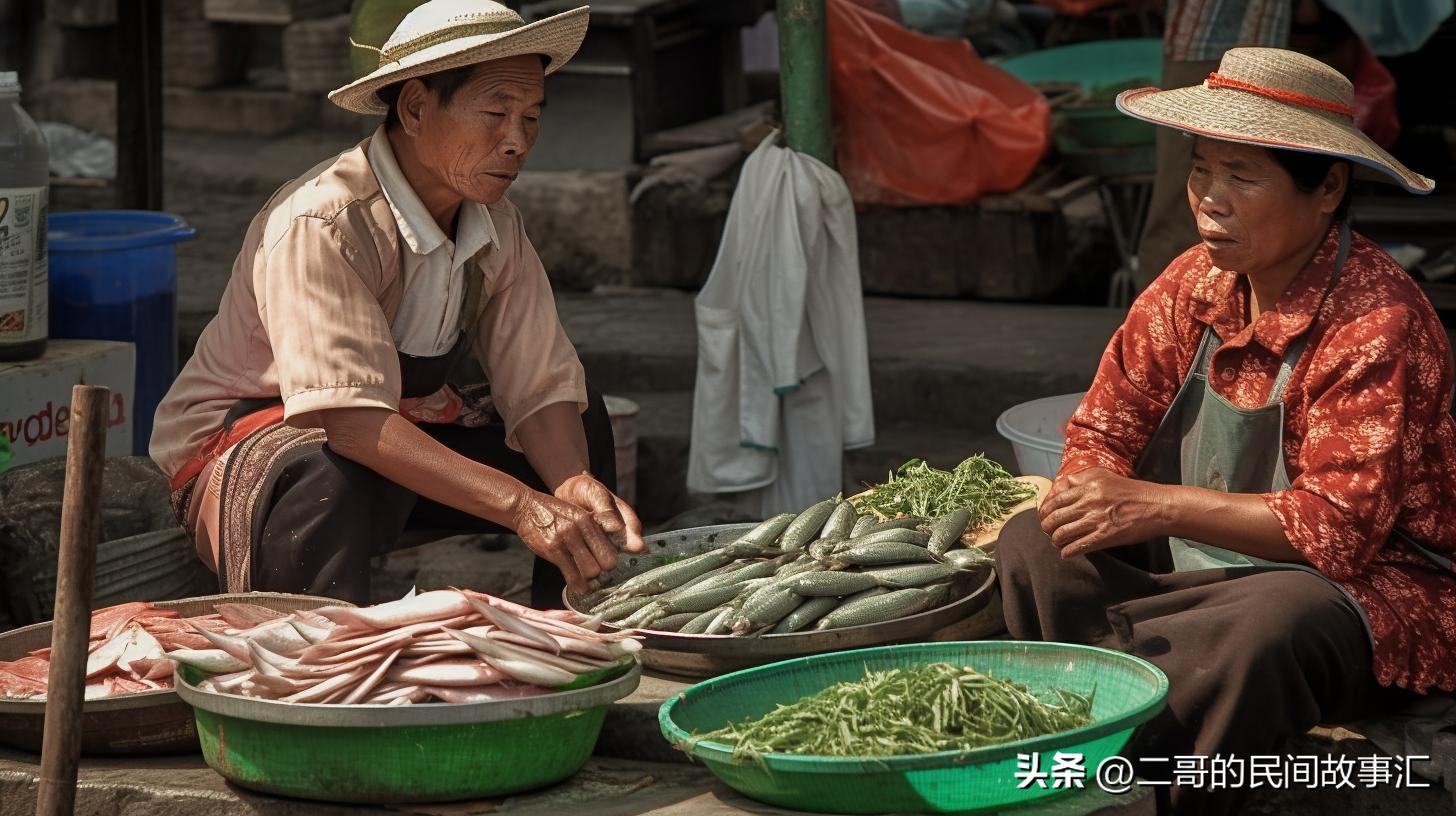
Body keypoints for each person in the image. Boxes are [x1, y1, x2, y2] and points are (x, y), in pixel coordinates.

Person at [996, 47, 1453, 815]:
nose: (1210, 199)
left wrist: (1153, 505)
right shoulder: (1193, 283)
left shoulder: (1379, 322)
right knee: (1033, 544)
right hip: (1203, 573)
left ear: (1328, 189)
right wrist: (1087, 488)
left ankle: (1184, 789)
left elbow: (1335, 535)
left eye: (1241, 176)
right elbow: (1104, 424)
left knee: (1265, 627)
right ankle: (1117, 737)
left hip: (1358, 593)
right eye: (1202, 169)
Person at [150, 0, 644, 610]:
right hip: (250, 448)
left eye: (531, 117)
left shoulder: (495, 225)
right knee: (329, 472)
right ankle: (311, 665)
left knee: (580, 415)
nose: (516, 142)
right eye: (495, 113)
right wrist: (521, 506)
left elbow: (538, 381)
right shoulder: (324, 221)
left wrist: (569, 487)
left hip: (398, 425)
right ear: (414, 107)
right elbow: (351, 423)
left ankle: (567, 628)